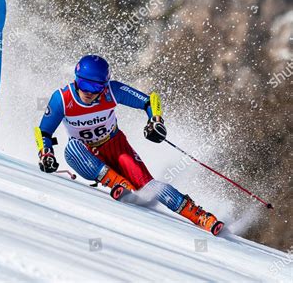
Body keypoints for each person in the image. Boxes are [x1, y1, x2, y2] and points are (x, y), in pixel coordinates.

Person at [36, 54, 224, 235]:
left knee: (149, 186)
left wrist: (155, 120)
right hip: (87, 155)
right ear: (76, 79)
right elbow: (43, 131)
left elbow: (150, 100)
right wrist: (46, 153)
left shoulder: (113, 90)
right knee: (72, 148)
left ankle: (200, 216)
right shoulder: (61, 98)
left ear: (104, 86)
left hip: (116, 146)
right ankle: (121, 185)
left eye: (95, 87)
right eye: (83, 84)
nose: (87, 92)